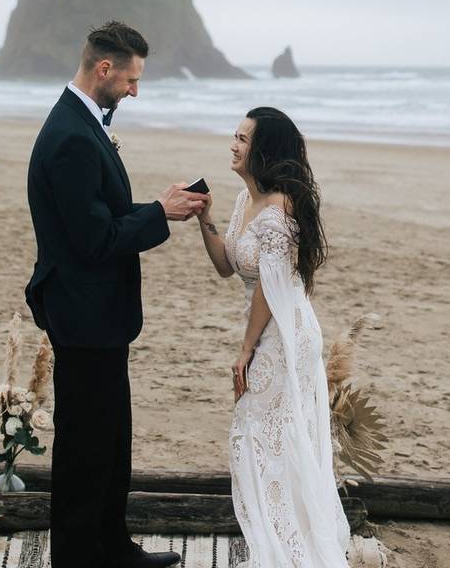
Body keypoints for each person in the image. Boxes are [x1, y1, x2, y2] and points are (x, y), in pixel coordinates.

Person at [24, 21, 207, 568]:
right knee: (85, 445)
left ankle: (112, 546)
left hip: (96, 312)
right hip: (83, 313)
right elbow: (93, 240)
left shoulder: (82, 123)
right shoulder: (73, 138)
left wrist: (155, 205)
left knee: (111, 437)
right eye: (130, 79)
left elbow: (99, 216)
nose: (134, 90)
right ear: (104, 69)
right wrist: (161, 216)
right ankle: (81, 556)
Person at [195, 107, 350, 567]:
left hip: (285, 334)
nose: (234, 145)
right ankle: (277, 539)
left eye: (243, 138)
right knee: (264, 437)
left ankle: (286, 548)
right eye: (235, 135)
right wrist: (206, 217)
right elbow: (228, 265)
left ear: (264, 149)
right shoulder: (248, 200)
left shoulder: (280, 207)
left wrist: (246, 350)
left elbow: (270, 285)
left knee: (261, 436)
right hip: (266, 328)